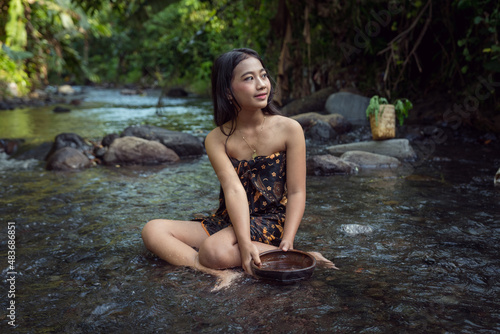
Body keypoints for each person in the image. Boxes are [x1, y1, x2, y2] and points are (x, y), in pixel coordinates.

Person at [142, 48, 336, 290]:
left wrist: (288, 239)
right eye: (248, 78)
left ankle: (290, 253)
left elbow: (297, 192)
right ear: (228, 91)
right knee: (153, 229)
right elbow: (233, 190)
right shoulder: (217, 138)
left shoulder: (290, 129)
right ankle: (209, 269)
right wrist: (243, 243)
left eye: (263, 75)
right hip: (228, 220)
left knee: (214, 249)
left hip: (270, 220)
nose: (261, 84)